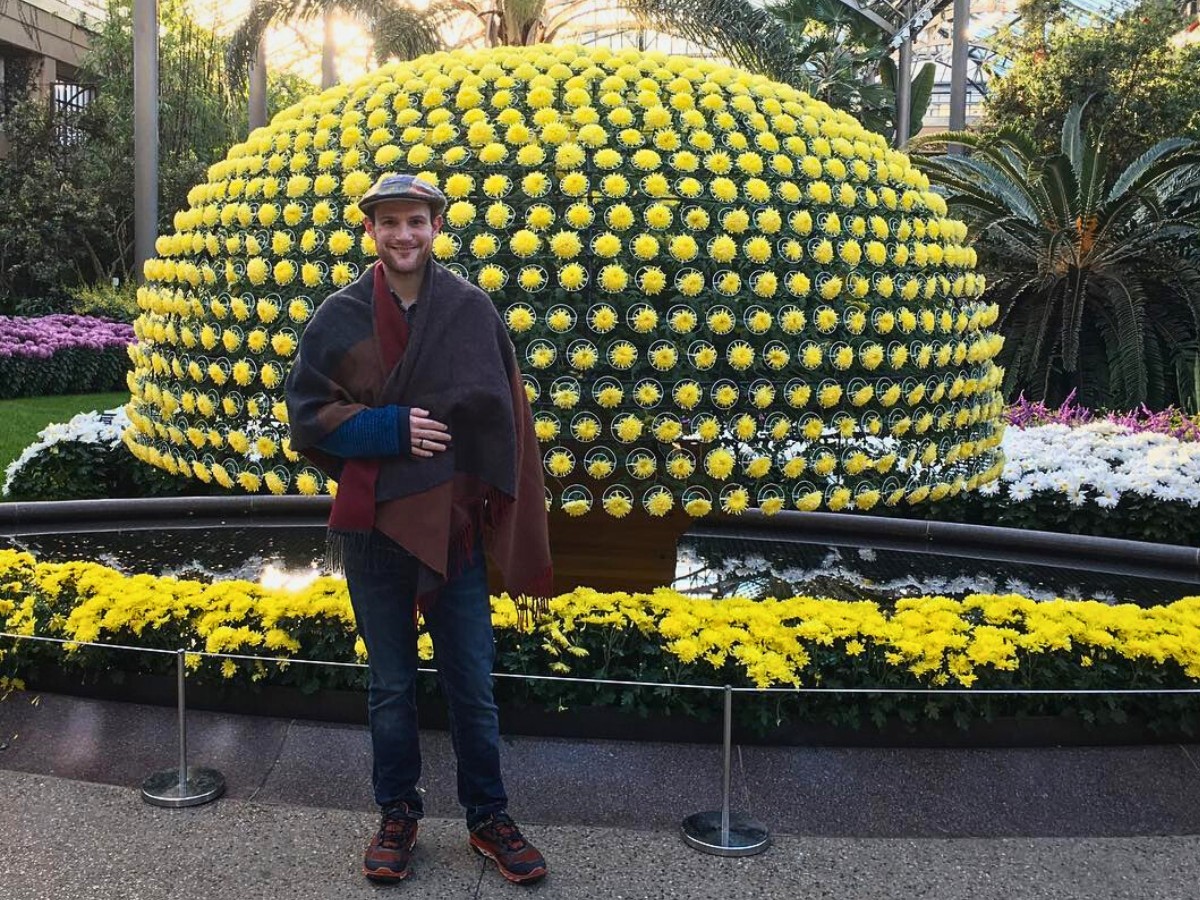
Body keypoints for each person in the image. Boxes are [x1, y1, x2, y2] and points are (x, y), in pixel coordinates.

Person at [284, 172, 553, 885]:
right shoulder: (340, 317)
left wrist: (491, 488)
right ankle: (397, 812)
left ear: (437, 226)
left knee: (471, 679)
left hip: (454, 527)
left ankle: (488, 816)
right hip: (372, 528)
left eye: (416, 221)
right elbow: (309, 414)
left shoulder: (469, 309)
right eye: (390, 222)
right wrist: (389, 427)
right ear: (370, 230)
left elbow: (503, 409)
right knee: (392, 684)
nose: (404, 234)